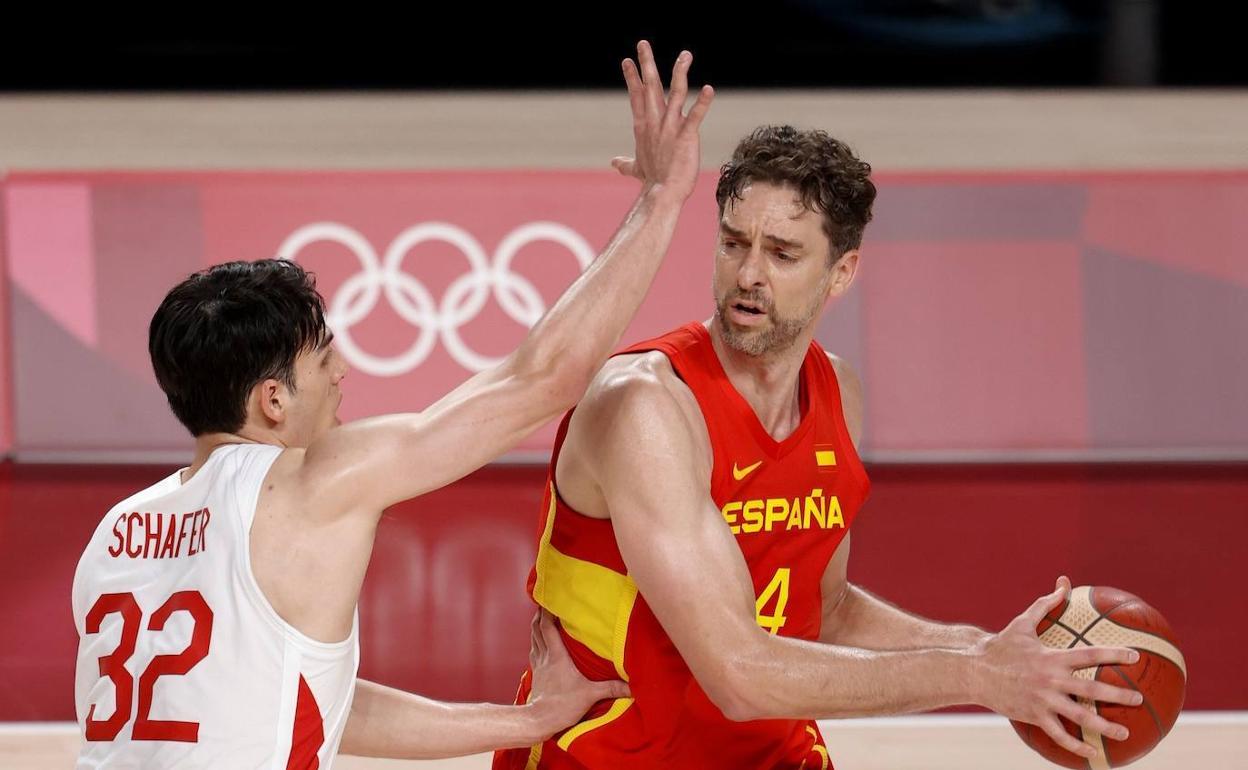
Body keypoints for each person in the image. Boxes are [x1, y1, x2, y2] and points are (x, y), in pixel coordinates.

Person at [70, 41, 713, 769]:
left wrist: (524, 722)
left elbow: (316, 700)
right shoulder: (311, 482)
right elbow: (543, 380)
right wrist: (662, 200)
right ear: (273, 400)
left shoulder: (113, 535)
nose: (343, 371)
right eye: (323, 359)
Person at [494, 125, 1145, 769]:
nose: (748, 273)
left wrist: (987, 651)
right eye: (733, 243)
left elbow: (824, 610)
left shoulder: (837, 391)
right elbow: (739, 673)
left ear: (841, 273)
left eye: (782, 253)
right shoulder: (646, 405)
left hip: (773, 755)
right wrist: (974, 675)